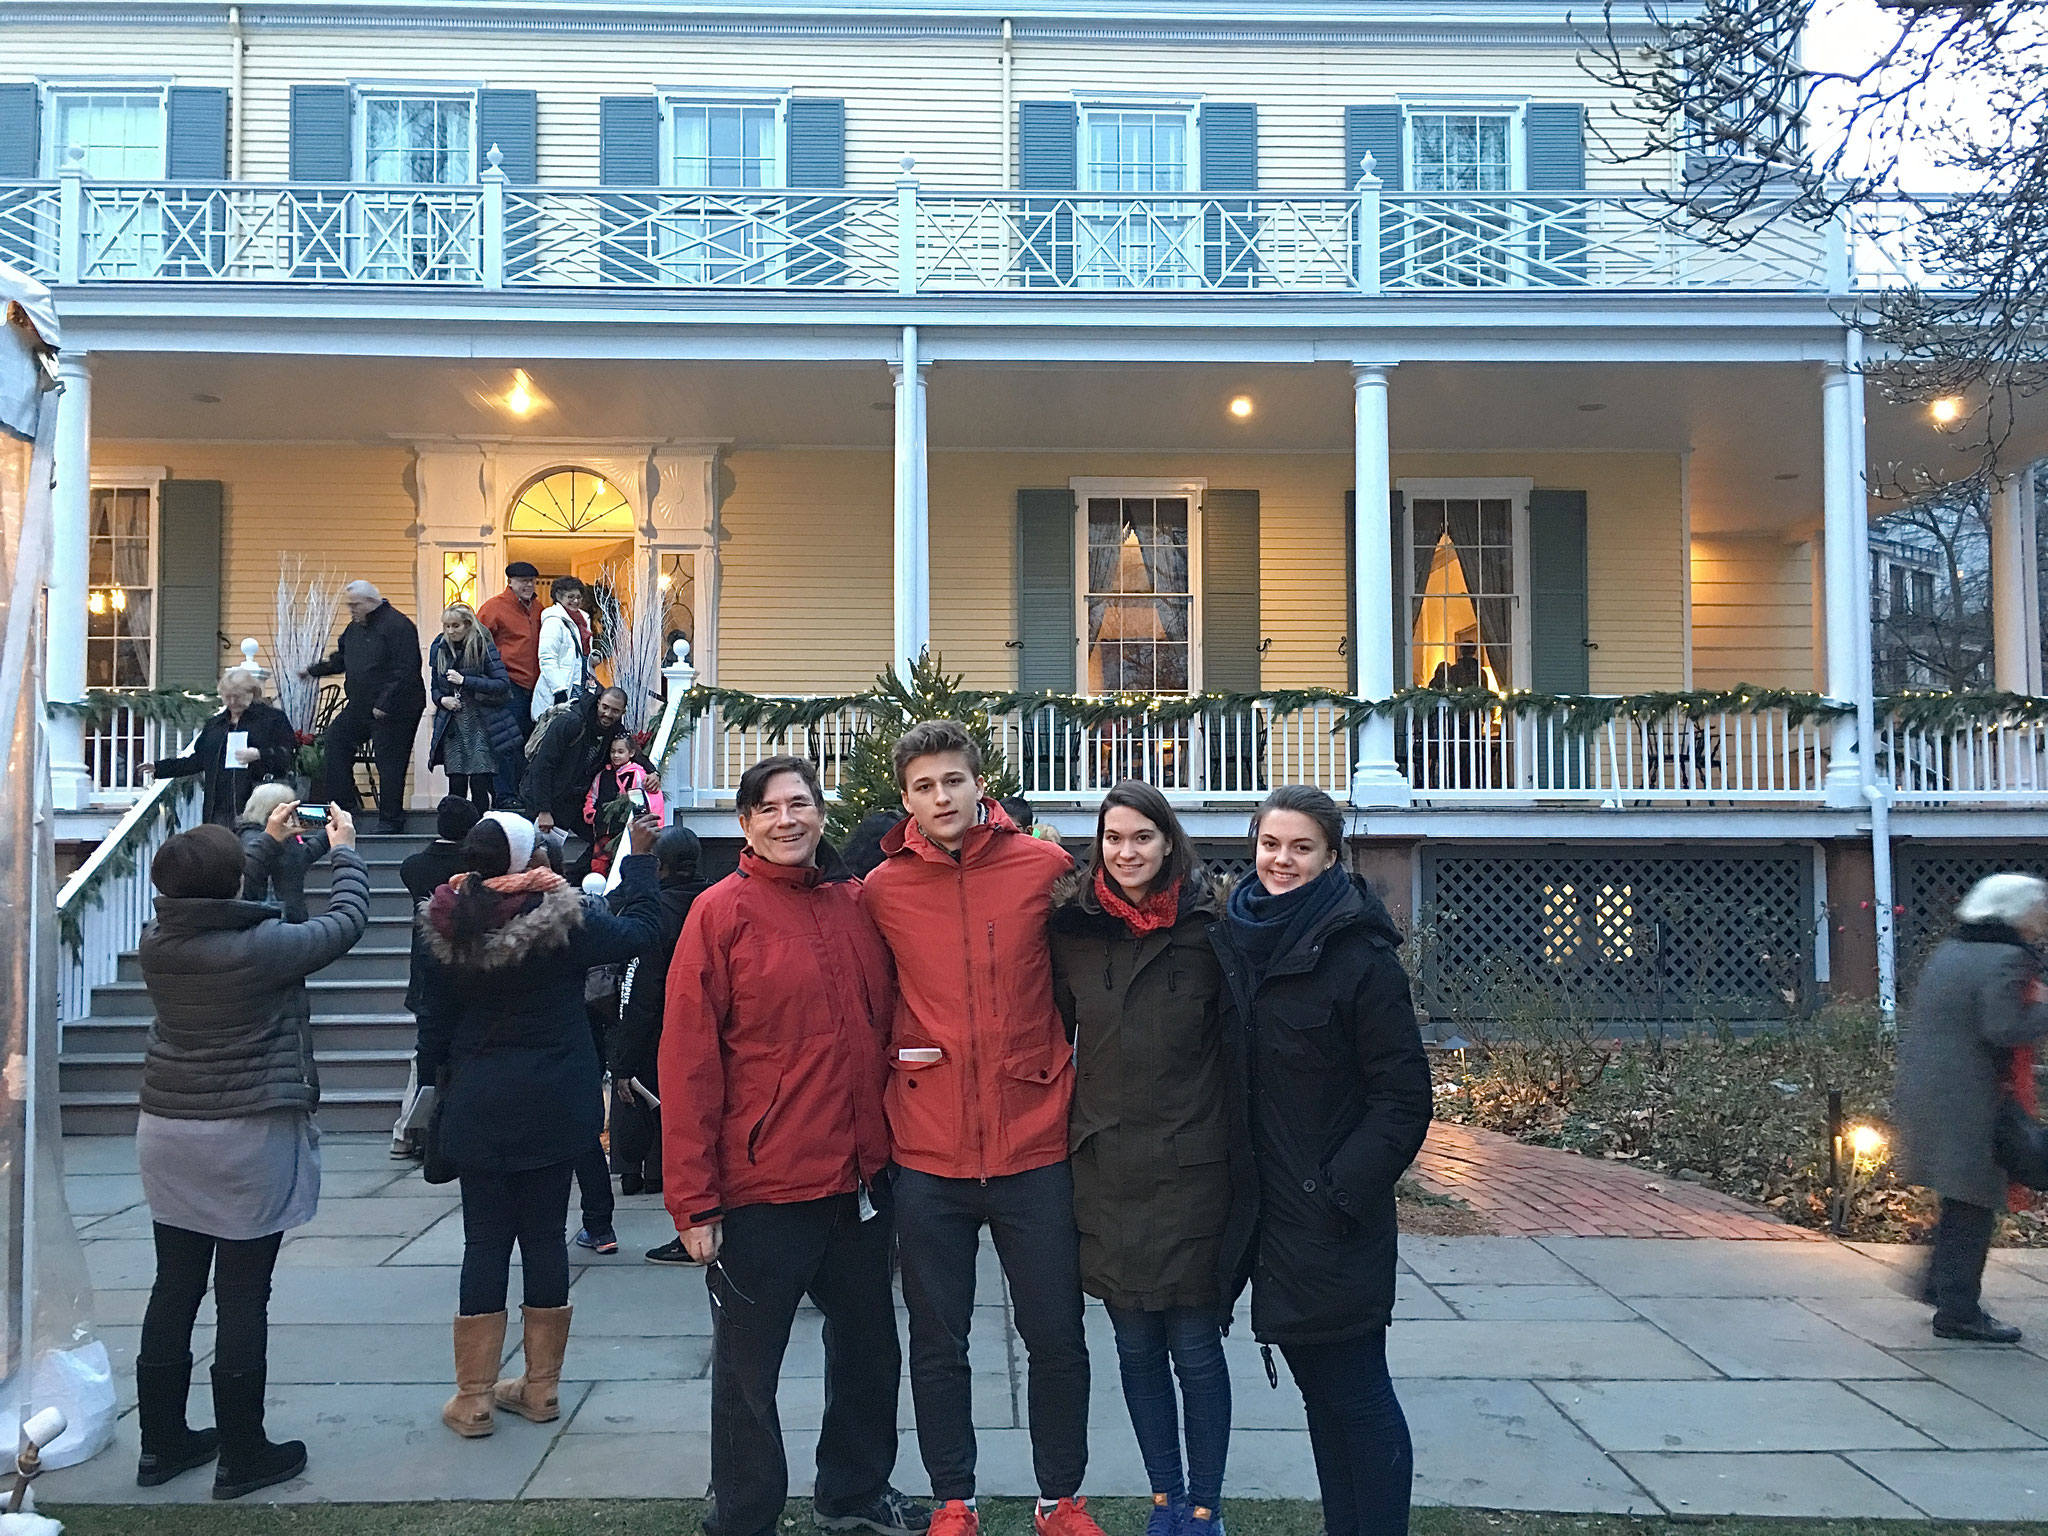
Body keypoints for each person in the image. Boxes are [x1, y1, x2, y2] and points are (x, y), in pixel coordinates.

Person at [663, 755, 926, 1536]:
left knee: (871, 1352)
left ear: (821, 814)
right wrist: (693, 1200)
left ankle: (852, 1489)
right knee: (748, 1373)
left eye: (802, 804)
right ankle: (744, 1515)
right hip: (760, 1187)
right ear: (745, 824)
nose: (789, 819)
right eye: (771, 807)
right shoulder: (719, 914)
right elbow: (687, 1063)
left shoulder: (855, 905)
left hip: (857, 1182)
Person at [860, 721, 1101, 1536]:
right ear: (906, 799)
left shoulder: (1044, 869)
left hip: (1034, 1141)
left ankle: (1058, 1496)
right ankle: (953, 1498)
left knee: (1057, 1336)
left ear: (979, 782)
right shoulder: (882, 890)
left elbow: (1086, 985)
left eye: (953, 781)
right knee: (938, 1340)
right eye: (924, 787)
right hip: (930, 1152)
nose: (941, 798)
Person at [1209, 786, 1433, 1536]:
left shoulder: (1360, 959)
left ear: (1332, 856)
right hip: (1271, 1219)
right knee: (1320, 1393)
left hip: (1332, 1219)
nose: (1282, 861)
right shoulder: (1241, 939)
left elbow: (1402, 1100)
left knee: (1358, 1395)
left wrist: (1339, 1192)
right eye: (1272, 844)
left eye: (1302, 847)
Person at [132, 806, 369, 1500]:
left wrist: (261, 846)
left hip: (168, 1127)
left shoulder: (158, 941)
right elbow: (343, 926)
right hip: (244, 1132)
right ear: (231, 882)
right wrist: (347, 854)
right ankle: (243, 1453)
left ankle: (162, 1445)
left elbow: (213, 904)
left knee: (173, 1284)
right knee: (241, 1293)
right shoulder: (262, 947)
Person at [414, 808, 662, 1439]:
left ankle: (472, 1399)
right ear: (530, 859)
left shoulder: (445, 921)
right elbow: (642, 931)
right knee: (546, 1237)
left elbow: (431, 1021)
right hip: (556, 1098)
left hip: (477, 1097)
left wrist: (435, 1085)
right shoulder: (561, 920)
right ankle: (542, 1389)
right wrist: (635, 860)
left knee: (484, 1242)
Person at [1049, 782, 1237, 1536]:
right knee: (1133, 1345)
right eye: (1114, 838)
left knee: (1194, 1346)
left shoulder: (1212, 930)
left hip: (1193, 1168)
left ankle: (1205, 1506)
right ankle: (1165, 1500)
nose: (1127, 852)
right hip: (1106, 1169)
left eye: (1143, 838)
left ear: (1170, 843)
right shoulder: (1072, 930)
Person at [1893, 873, 2048, 1343]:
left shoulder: (1953, 950)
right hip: (1974, 1100)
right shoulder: (2006, 958)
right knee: (1975, 1202)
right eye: (2040, 906)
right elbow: (2003, 1027)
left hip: (1936, 1091)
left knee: (1963, 1197)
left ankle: (1940, 1284)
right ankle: (1959, 1311)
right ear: (2016, 912)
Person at [609, 825, 704, 1216]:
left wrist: (622, 1060)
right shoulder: (712, 902)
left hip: (652, 1025)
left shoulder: (653, 913)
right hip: (700, 1024)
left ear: (659, 867)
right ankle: (665, 1172)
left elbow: (639, 987)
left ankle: (636, 1173)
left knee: (638, 1095)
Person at [389, 796, 485, 1159]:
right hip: (463, 966)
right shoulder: (473, 872)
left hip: (424, 969)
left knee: (425, 1054)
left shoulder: (414, 867)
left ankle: (408, 1132)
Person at [303, 580, 426, 834]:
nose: (351, 610)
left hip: (397, 708)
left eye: (355, 605)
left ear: (371, 602)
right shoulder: (354, 629)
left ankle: (391, 820)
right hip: (361, 705)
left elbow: (407, 670)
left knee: (389, 761)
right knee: (335, 740)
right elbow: (342, 659)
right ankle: (345, 807)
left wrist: (384, 704)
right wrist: (315, 671)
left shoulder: (398, 626)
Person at [145, 667, 297, 827]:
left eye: (237, 697)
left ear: (251, 693)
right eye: (227, 697)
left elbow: (289, 754)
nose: (232, 702)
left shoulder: (272, 719)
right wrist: (160, 767)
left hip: (256, 804)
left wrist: (260, 754)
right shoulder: (215, 725)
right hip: (217, 806)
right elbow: (198, 760)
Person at [429, 602, 523, 812]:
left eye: (456, 626)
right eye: (447, 626)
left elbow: (502, 684)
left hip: (481, 720)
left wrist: (465, 681)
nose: (451, 631)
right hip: (452, 722)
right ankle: (455, 829)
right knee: (456, 781)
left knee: (480, 780)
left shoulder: (483, 647)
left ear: (468, 625)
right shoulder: (440, 648)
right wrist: (442, 700)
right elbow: (435, 686)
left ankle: (479, 828)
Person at [523, 687, 627, 842]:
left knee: (602, 841)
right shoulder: (570, 722)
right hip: (545, 795)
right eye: (605, 707)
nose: (608, 714)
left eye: (615, 711)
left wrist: (652, 772)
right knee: (540, 851)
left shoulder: (614, 730)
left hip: (574, 800)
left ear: (622, 713)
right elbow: (543, 765)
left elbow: (631, 751)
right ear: (598, 702)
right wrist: (543, 810)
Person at [237, 782, 330, 925]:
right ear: (271, 809)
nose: (295, 812)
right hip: (271, 921)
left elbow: (303, 856)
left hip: (288, 916)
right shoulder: (253, 837)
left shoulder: (281, 835)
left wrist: (329, 832)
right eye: (290, 807)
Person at [583, 732, 665, 875]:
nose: (616, 756)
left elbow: (646, 798)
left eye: (621, 752)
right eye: (613, 751)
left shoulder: (638, 774)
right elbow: (592, 795)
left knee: (624, 861)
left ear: (631, 752)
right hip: (604, 829)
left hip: (626, 828)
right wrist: (591, 814)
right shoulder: (602, 775)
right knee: (598, 863)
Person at [478, 562, 543, 737]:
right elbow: (477, 644)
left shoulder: (538, 608)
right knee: (508, 740)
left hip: (536, 687)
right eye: (523, 581)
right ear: (510, 582)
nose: (529, 585)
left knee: (530, 739)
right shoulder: (493, 607)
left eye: (532, 581)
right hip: (508, 684)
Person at [533, 575, 593, 722]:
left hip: (580, 682)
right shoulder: (553, 621)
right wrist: (559, 690)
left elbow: (581, 653)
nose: (576, 601)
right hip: (562, 687)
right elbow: (547, 658)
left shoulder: (583, 620)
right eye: (570, 596)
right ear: (559, 597)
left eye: (579, 597)